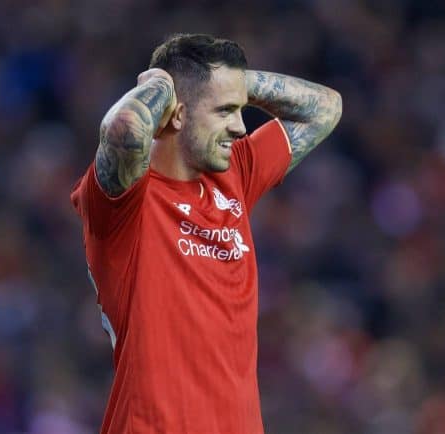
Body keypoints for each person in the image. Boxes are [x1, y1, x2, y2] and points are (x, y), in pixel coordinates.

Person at [70, 33, 342, 434]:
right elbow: (125, 129)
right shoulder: (123, 204)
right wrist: (163, 83)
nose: (239, 127)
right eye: (225, 110)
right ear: (176, 114)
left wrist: (231, 84)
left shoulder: (234, 175)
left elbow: (325, 108)